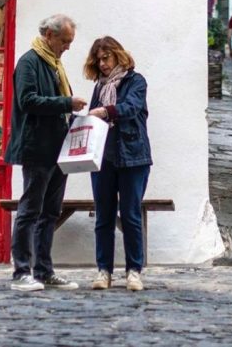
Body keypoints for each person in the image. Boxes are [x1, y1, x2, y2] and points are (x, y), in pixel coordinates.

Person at [4, 14, 88, 291]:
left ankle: (44, 270)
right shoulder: (29, 62)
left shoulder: (53, 64)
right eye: (65, 41)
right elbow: (27, 101)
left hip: (57, 148)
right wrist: (67, 102)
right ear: (49, 35)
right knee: (30, 210)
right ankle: (21, 272)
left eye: (70, 41)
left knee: (50, 212)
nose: (68, 47)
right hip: (37, 148)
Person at [83, 37, 152, 292]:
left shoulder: (136, 81)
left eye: (106, 58)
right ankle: (104, 271)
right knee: (103, 217)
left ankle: (134, 271)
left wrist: (105, 111)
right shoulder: (99, 87)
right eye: (98, 60)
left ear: (117, 56)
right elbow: (92, 117)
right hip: (103, 158)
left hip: (134, 157)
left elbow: (131, 108)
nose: (102, 64)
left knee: (131, 215)